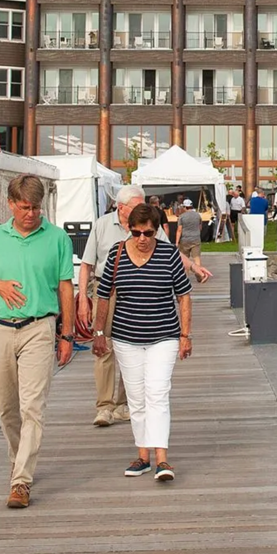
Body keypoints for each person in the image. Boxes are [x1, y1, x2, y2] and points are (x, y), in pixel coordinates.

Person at [0, 174, 74, 509]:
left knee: (33, 406)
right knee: (7, 407)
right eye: (25, 207)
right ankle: (19, 460)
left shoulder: (57, 238)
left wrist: (67, 335)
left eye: (36, 207)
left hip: (38, 328)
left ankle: (21, 481)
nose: (31, 213)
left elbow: (65, 288)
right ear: (11, 205)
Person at [91, 204, 193, 482]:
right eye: (136, 232)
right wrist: (99, 332)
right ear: (129, 230)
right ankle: (143, 456)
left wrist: (185, 335)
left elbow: (183, 296)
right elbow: (103, 295)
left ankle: (162, 458)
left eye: (148, 232)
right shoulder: (117, 254)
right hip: (126, 338)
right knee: (136, 399)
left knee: (157, 393)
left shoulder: (169, 254)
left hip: (164, 336)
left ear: (157, 230)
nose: (142, 238)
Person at [79, 185, 168, 428]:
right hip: (105, 292)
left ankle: (124, 403)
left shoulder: (146, 225)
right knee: (103, 346)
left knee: (132, 346)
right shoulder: (102, 225)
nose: (142, 209)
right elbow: (87, 264)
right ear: (121, 207)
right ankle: (104, 406)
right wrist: (82, 300)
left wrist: (192, 266)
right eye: (137, 206)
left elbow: (170, 252)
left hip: (138, 293)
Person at [175, 198, 212, 284]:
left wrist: (177, 242)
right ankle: (200, 275)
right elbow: (200, 227)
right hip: (196, 239)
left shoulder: (182, 217)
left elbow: (179, 230)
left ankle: (185, 278)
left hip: (184, 239)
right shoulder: (197, 215)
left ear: (185, 207)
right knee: (196, 258)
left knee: (185, 259)